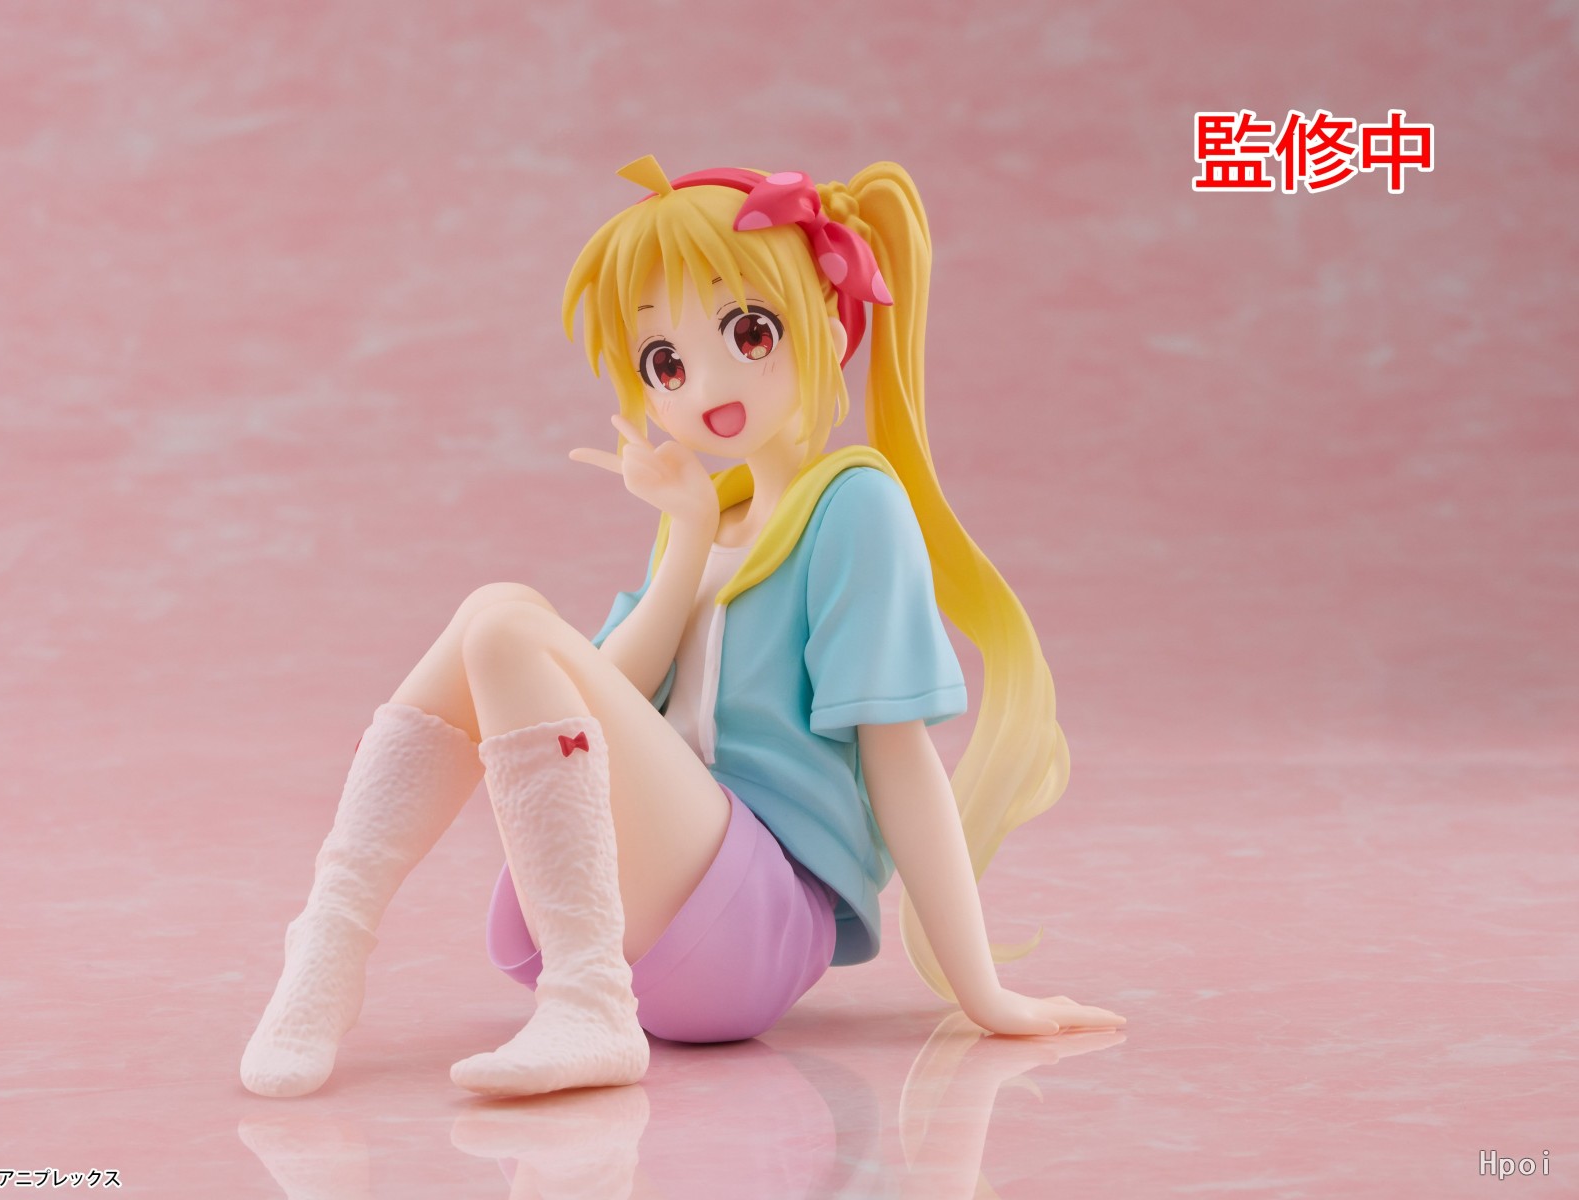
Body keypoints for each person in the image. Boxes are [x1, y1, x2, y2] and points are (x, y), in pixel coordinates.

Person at [240, 155, 1126, 1101]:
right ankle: (331, 944)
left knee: (502, 624)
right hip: (635, 910)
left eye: (749, 332)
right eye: (665, 362)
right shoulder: (703, 516)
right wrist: (691, 530)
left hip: (747, 926)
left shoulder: (855, 504)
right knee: (495, 621)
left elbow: (897, 755)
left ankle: (567, 1001)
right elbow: (582, 711)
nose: (704, 385)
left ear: (830, 330)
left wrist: (981, 989)